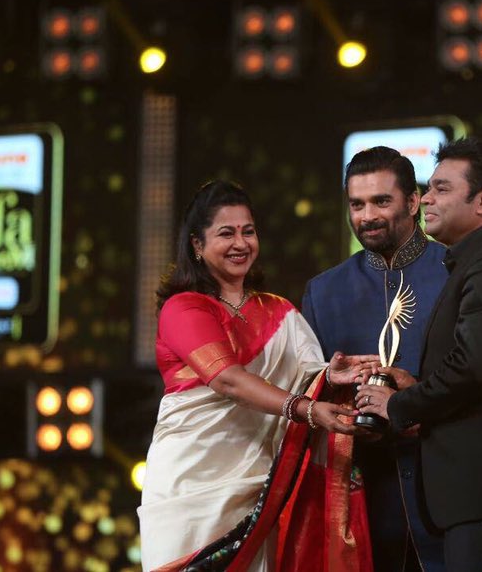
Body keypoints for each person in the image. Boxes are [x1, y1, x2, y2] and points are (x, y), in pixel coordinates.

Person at [137, 180, 379, 572]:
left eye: (248, 231)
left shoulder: (279, 311)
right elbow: (227, 380)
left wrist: (330, 378)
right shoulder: (184, 308)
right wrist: (307, 408)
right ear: (197, 245)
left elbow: (308, 377)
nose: (240, 243)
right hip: (192, 485)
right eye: (226, 233)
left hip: (262, 487)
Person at [357, 138, 482, 572]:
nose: (427, 197)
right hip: (479, 485)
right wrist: (420, 386)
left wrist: (399, 405)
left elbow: (472, 367)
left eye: (442, 188)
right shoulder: (480, 260)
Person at [302, 146, 448, 572]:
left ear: (414, 201)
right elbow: (308, 390)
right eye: (357, 204)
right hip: (361, 503)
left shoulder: (457, 272)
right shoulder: (323, 291)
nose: (367, 216)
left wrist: (418, 399)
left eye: (381, 201)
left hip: (447, 491)